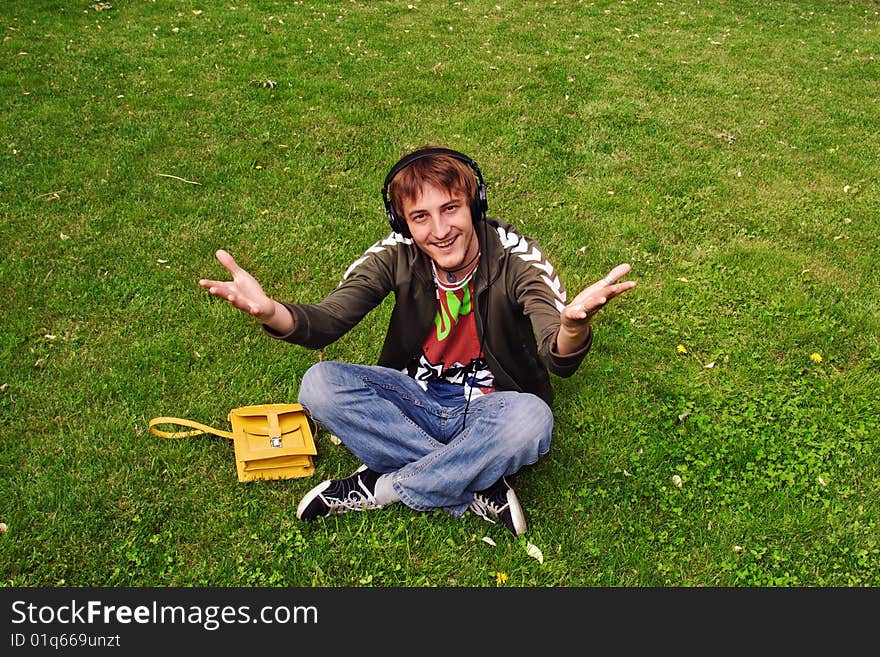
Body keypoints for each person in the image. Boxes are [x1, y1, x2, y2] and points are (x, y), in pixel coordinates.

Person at [198, 146, 635, 536]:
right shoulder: (395, 252)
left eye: (451, 209)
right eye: (420, 217)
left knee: (532, 421)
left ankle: (382, 484)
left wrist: (574, 325)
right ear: (402, 222)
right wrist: (271, 311)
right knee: (318, 386)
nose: (440, 230)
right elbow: (330, 320)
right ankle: (475, 478)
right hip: (411, 399)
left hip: (493, 407)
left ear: (475, 205)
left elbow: (555, 353)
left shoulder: (515, 255)